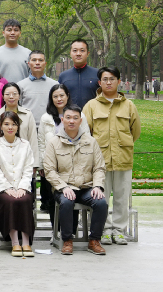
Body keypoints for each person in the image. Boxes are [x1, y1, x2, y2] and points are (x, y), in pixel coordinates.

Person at [83, 67, 140, 246]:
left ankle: (119, 230)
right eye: (105, 79)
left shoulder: (128, 105)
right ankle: (104, 230)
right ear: (99, 82)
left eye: (112, 79)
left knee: (122, 197)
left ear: (118, 81)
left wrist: (123, 145)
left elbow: (135, 131)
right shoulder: (91, 106)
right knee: (101, 197)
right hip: (100, 161)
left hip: (123, 158)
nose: (109, 82)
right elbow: (85, 133)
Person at [43, 105, 108, 256]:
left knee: (101, 202)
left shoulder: (91, 142)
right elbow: (49, 170)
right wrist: (63, 187)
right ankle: (67, 240)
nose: (71, 121)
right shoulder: (53, 142)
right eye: (68, 118)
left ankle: (94, 240)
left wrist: (97, 186)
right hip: (64, 188)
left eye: (75, 118)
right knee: (66, 202)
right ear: (62, 120)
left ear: (80, 121)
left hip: (86, 187)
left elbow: (99, 167)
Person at [39, 84, 90, 221]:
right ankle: (55, 228)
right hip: (52, 165)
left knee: (72, 195)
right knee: (52, 199)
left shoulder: (80, 115)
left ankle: (71, 229)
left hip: (74, 164)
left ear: (67, 96)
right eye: (55, 96)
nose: (59, 99)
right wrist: (42, 164)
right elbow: (41, 142)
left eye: (62, 95)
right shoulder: (46, 118)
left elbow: (86, 139)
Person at [0, 111, 35, 257]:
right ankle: (15, 242)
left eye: (13, 124)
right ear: (0, 126)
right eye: (6, 124)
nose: (10, 127)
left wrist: (22, 187)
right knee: (11, 201)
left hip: (22, 187)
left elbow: (28, 169)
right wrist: (7, 188)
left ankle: (25, 242)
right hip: (0, 189)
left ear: (18, 126)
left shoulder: (25, 145)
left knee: (25, 199)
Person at [0, 83, 40, 182]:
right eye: (7, 94)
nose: (11, 97)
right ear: (3, 96)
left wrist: (34, 164)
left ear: (19, 96)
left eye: (14, 94)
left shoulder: (28, 114)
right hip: (2, 162)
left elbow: (33, 139)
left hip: (24, 161)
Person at [16, 50, 59, 127]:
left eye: (40, 60)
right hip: (27, 127)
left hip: (49, 126)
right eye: (34, 60)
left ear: (45, 64)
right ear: (29, 64)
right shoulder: (20, 85)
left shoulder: (55, 85)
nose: (37, 63)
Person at [58, 39, 99, 108]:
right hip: (69, 114)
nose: (78, 54)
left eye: (82, 50)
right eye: (75, 50)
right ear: (70, 53)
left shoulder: (98, 74)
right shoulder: (63, 76)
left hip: (92, 114)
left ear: (88, 53)